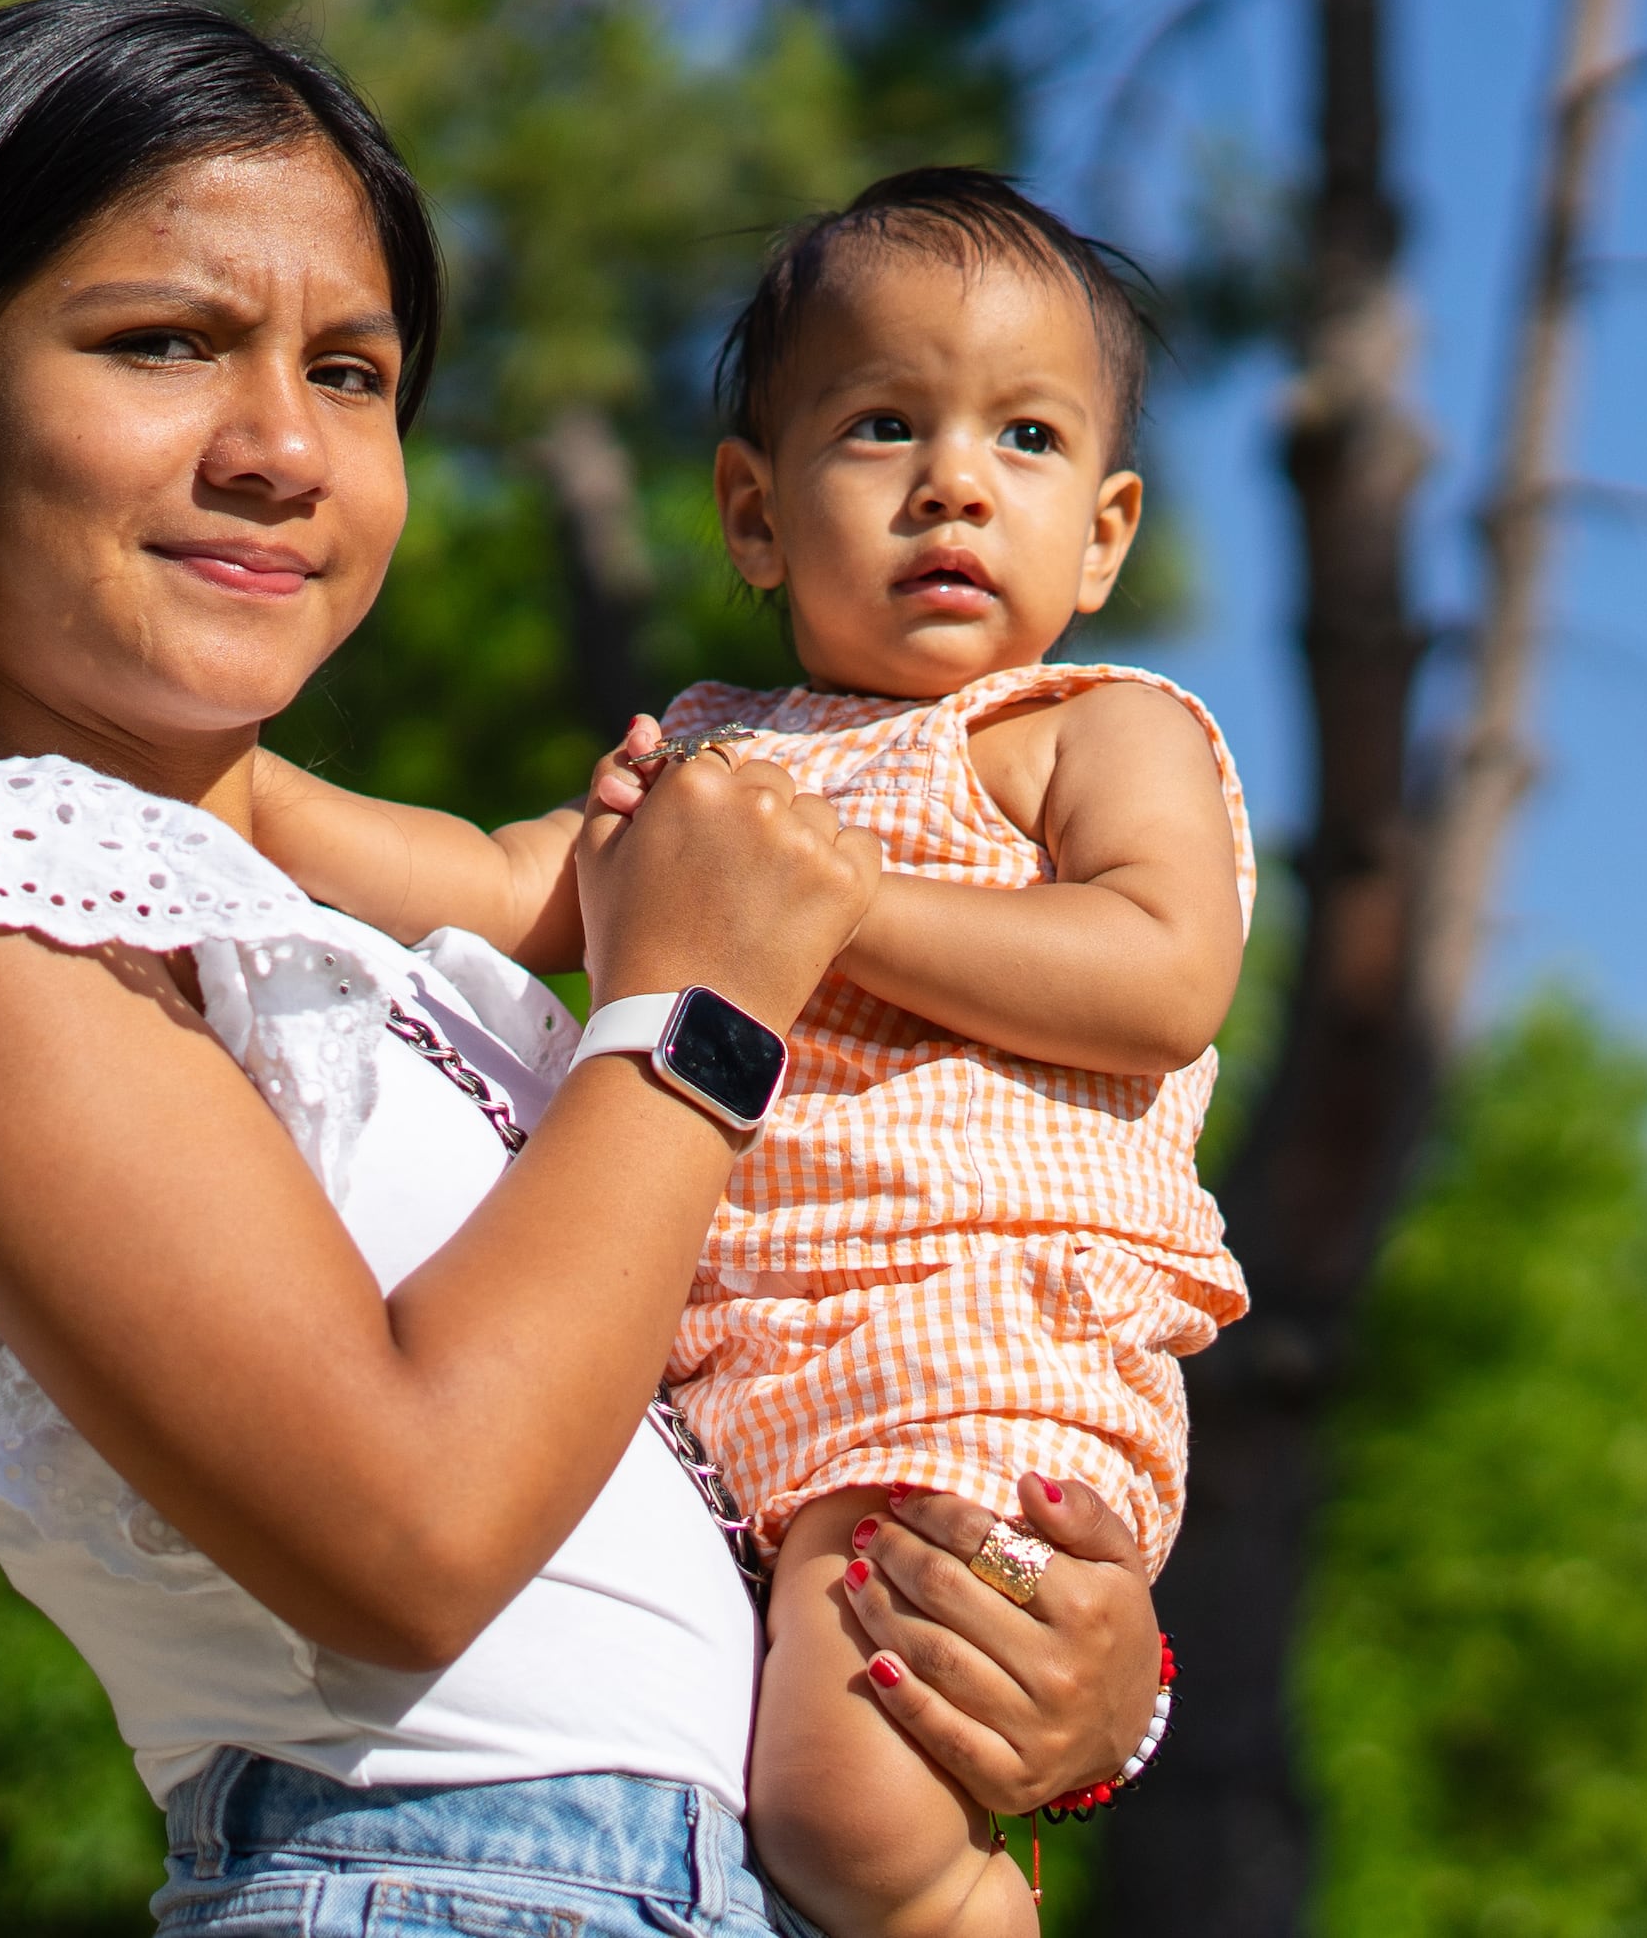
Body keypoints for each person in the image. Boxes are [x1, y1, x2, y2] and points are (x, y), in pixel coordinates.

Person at [0, 0, 1172, 1938]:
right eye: (161, 340)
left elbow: (668, 1464)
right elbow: (412, 1536)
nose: (281, 447)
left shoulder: (324, 937)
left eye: (350, 371)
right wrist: (698, 1010)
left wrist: (1070, 1683)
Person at [259, 169, 1245, 1938]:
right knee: (762, 1790)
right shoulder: (720, 765)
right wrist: (246, 796)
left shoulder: (1092, 731)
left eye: (1025, 438)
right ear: (754, 511)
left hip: (976, 1336)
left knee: (853, 1812)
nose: (955, 482)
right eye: (884, 426)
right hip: (733, 1377)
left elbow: (1163, 973)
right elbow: (496, 879)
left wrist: (831, 906)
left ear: (1105, 536)